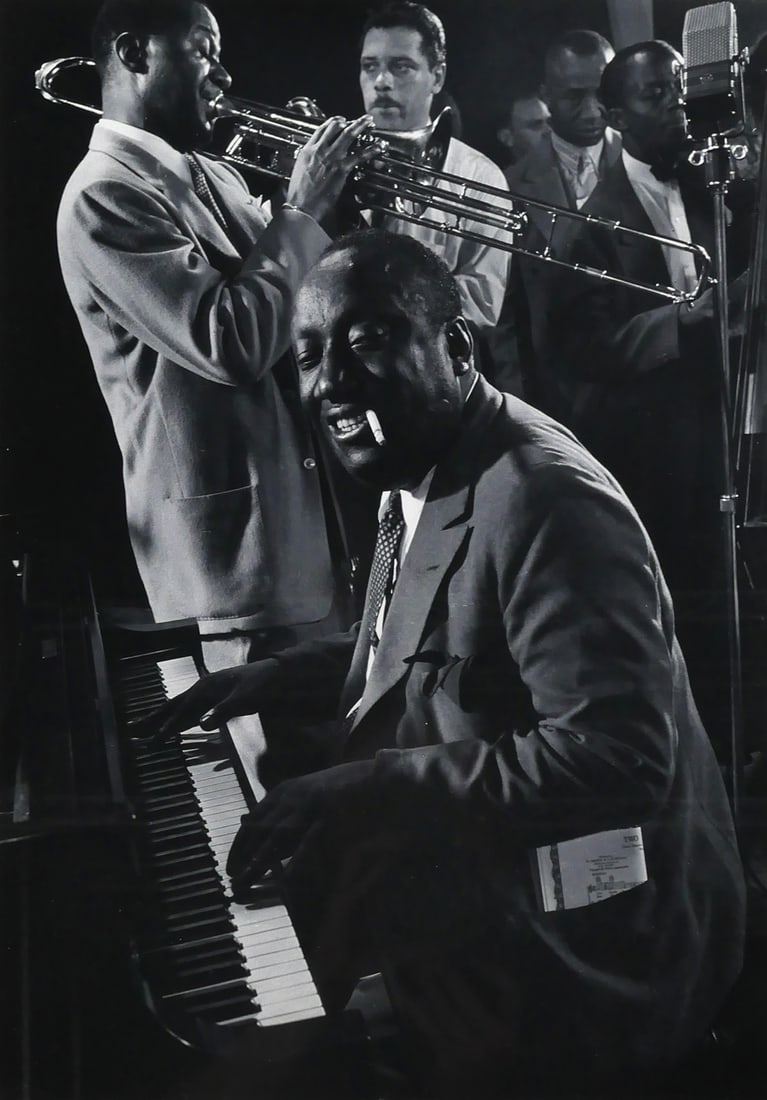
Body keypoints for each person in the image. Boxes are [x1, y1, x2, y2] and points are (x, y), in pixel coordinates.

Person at [141, 229, 746, 1097]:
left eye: (366, 342)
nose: (331, 382)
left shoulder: (546, 501)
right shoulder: (425, 457)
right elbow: (442, 635)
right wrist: (284, 675)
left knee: (276, 1048)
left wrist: (367, 787)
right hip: (508, 879)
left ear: (456, 345)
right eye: (308, 357)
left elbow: (618, 760)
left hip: (596, 949)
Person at [57, 0, 377, 704]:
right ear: (135, 54)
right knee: (286, 764)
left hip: (310, 530)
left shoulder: (211, 172)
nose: (224, 74)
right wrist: (302, 210)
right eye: (204, 50)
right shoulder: (103, 195)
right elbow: (231, 342)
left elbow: (301, 305)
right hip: (241, 561)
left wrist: (341, 211)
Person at [551, 40, 752, 753]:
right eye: (654, 95)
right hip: (660, 450)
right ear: (615, 117)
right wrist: (682, 322)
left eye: (678, 87)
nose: (675, 106)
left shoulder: (716, 184)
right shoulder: (587, 224)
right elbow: (584, 350)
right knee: (689, 605)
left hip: (731, 423)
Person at [358, 2, 510, 332]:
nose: (381, 82)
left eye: (401, 67)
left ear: (437, 76)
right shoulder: (333, 162)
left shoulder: (480, 176)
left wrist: (383, 305)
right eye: (370, 67)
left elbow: (482, 302)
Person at [488, 29, 618, 403]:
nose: (592, 111)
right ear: (546, 96)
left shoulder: (645, 161)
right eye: (575, 97)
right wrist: (517, 408)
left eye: (601, 94)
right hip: (561, 395)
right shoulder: (508, 186)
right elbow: (506, 318)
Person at [496, 92, 551, 178]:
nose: (549, 130)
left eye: (550, 122)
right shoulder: (498, 180)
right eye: (536, 125)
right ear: (507, 137)